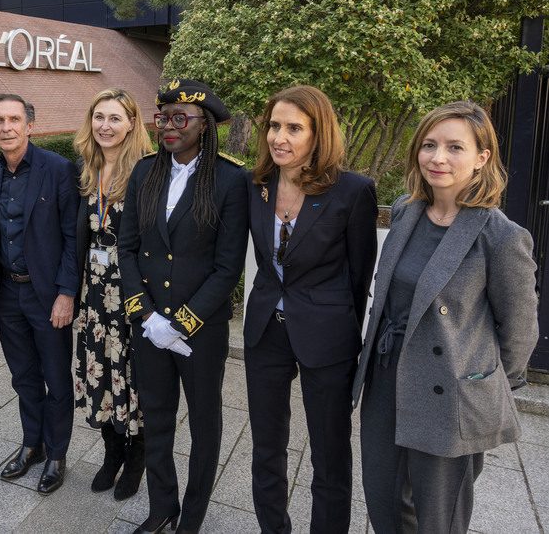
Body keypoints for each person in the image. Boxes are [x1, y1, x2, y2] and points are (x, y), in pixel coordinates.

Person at [353, 101, 538, 533]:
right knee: (383, 501)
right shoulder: (406, 210)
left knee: (439, 518)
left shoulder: (502, 235)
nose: (438, 158)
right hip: (385, 377)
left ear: (482, 157)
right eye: (430, 145)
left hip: (448, 392)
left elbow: (521, 332)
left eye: (455, 147)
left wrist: (478, 382)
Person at [118, 78, 249, 533]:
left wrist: (183, 322)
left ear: (205, 125)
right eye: (163, 118)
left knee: (204, 423)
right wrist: (148, 316)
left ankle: (193, 514)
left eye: (181, 118)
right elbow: (128, 247)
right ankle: (162, 507)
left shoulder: (232, 179)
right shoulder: (144, 171)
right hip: (150, 323)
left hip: (201, 330)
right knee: (156, 417)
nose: (169, 127)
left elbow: (228, 267)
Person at [244, 85, 378, 533]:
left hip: (327, 336)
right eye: (274, 126)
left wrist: (347, 337)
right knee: (266, 447)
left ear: (319, 134)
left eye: (294, 128)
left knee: (329, 453)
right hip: (265, 330)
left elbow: (360, 275)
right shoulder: (256, 185)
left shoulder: (353, 192)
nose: (279, 137)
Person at [0, 93, 80, 494]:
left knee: (57, 379)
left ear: (29, 123)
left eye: (14, 119)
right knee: (24, 377)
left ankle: (57, 453)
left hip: (47, 297)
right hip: (7, 295)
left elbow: (71, 237)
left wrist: (66, 293)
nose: (6, 127)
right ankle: (33, 445)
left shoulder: (58, 169)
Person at [73, 89, 153, 500]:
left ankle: (137, 457)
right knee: (98, 373)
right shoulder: (86, 170)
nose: (106, 125)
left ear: (131, 124)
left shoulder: (145, 172)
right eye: (99, 117)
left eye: (115, 118)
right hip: (93, 295)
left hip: (130, 297)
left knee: (132, 379)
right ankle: (111, 451)